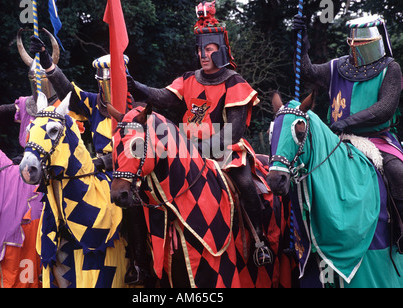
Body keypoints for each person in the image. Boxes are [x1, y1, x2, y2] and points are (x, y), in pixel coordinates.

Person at [128, 1, 273, 266]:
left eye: (208, 49)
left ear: (221, 50)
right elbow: (164, 97)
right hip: (186, 146)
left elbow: (234, 131)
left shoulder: (234, 82)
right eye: (200, 50)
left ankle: (260, 241)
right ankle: (141, 256)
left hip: (225, 149)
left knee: (246, 185)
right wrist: (135, 85)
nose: (203, 55)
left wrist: (200, 147)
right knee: (143, 179)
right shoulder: (189, 78)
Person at [28, 36, 152, 285]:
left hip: (129, 174)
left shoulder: (137, 111)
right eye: (101, 84)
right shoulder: (95, 105)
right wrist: (47, 62)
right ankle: (52, 251)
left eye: (110, 84)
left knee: (134, 205)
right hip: (96, 173)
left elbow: (140, 150)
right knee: (57, 194)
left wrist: (105, 162)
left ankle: (139, 265)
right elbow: (69, 93)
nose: (104, 90)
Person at [293, 14, 403, 251]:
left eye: (362, 44)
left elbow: (384, 109)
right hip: (337, 139)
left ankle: (400, 231)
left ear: (376, 43)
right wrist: (301, 41)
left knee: (398, 172)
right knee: (297, 170)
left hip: (377, 139)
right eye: (353, 44)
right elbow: (308, 72)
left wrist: (348, 122)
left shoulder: (390, 69)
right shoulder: (337, 67)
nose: (356, 49)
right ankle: (300, 237)